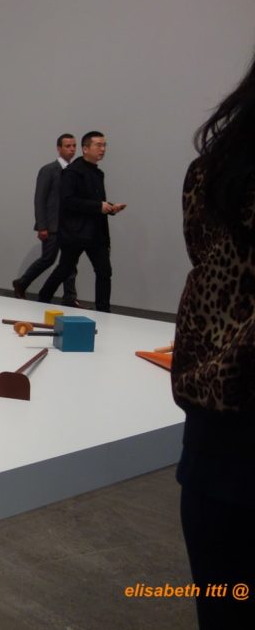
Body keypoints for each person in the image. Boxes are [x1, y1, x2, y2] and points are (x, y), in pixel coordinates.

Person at [172, 52, 255, 630]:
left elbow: (205, 263)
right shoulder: (218, 172)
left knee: (225, 598)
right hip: (227, 417)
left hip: (220, 412)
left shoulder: (215, 169)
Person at [36, 131, 125, 312]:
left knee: (104, 271)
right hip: (75, 233)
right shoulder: (72, 172)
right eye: (98, 145)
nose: (103, 149)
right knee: (65, 268)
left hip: (96, 233)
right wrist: (98, 206)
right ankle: (43, 297)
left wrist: (110, 208)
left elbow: (93, 201)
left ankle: (103, 311)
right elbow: (68, 201)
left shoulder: (97, 173)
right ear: (85, 149)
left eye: (104, 145)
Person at [12, 134, 79, 305]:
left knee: (69, 262)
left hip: (69, 226)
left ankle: (70, 297)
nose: (72, 149)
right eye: (68, 146)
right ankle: (22, 282)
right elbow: (40, 199)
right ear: (59, 148)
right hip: (52, 225)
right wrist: (42, 226)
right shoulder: (49, 170)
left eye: (74, 146)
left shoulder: (74, 171)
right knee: (48, 259)